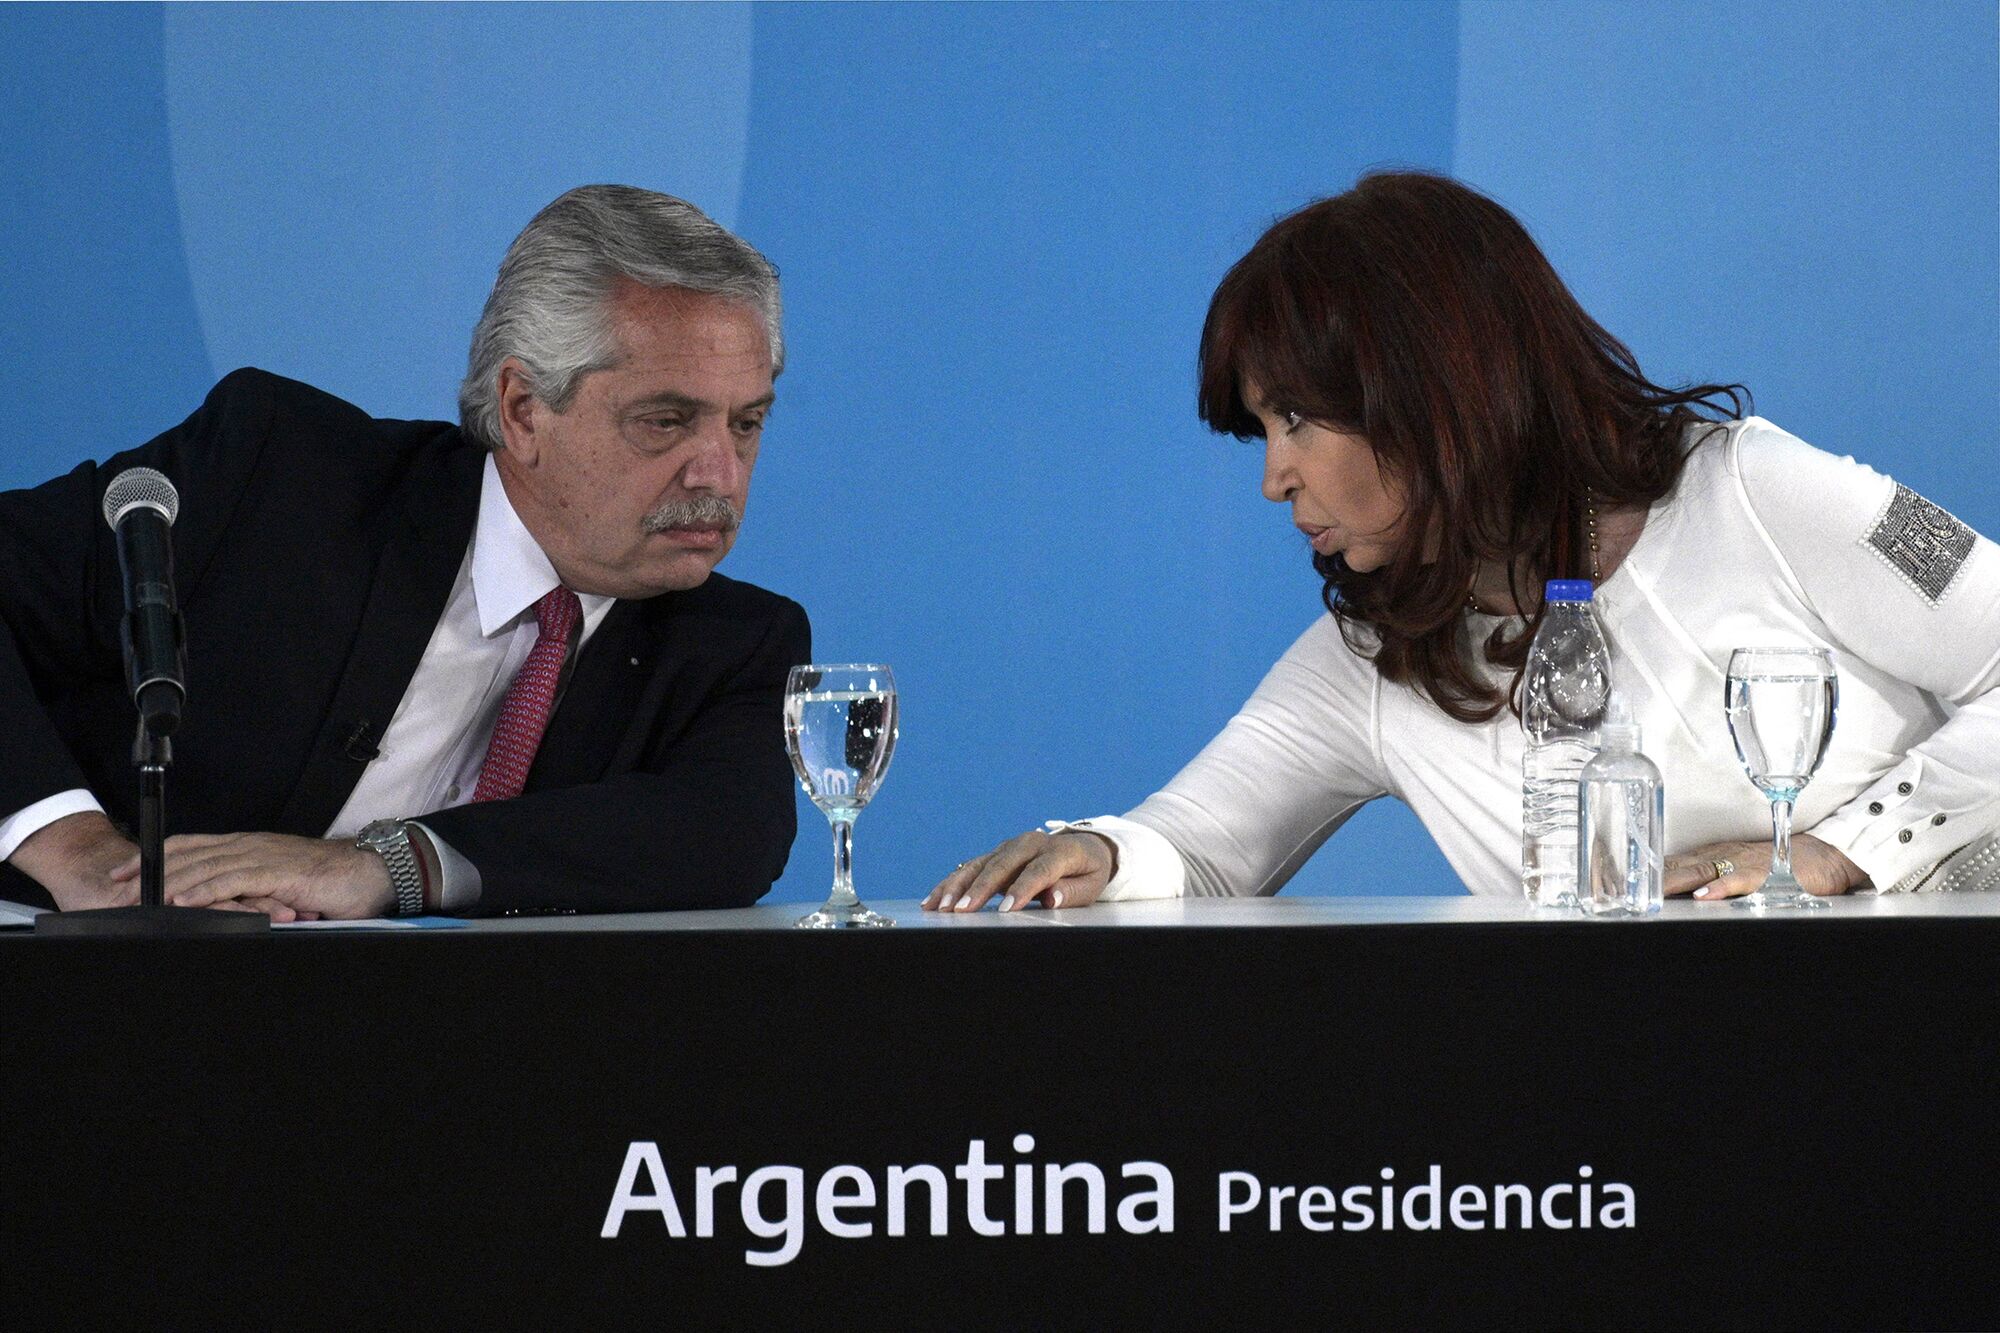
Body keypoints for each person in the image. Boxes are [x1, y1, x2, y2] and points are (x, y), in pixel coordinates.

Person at [927, 171, 2000, 914]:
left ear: (1428, 388)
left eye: (1296, 419)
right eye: (1258, 430)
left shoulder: (1754, 490)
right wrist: (1099, 853)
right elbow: (1200, 843)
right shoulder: (1374, 658)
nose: (1273, 478)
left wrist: (1844, 850)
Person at [0, 185, 809, 920]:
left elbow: (729, 831)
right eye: (666, 421)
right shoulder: (279, 475)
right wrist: (78, 850)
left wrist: (388, 863)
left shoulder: (734, 643)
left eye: (746, 423)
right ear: (524, 410)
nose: (721, 474)